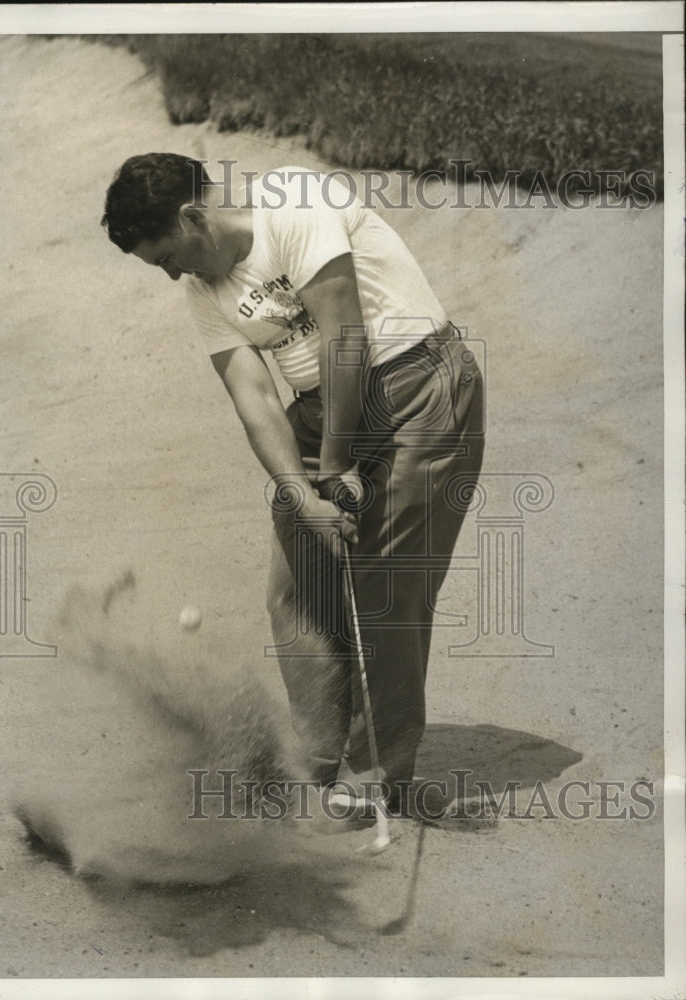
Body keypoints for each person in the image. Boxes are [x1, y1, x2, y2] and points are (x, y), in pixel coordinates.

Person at [101, 153, 484, 814]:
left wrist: (333, 466)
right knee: (295, 587)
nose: (171, 274)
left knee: (384, 584)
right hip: (318, 412)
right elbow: (251, 397)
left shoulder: (291, 200)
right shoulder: (205, 292)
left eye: (166, 256)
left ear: (194, 217)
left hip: (415, 389)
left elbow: (344, 337)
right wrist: (302, 493)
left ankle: (377, 778)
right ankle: (317, 760)